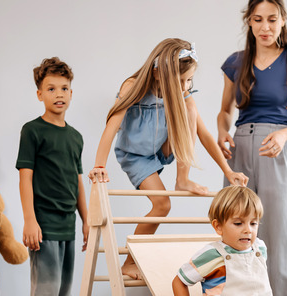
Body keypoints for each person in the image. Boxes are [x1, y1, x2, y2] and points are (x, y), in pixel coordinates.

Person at [89, 38, 248, 279]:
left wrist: (228, 171)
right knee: (162, 205)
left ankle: (182, 179)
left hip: (163, 148)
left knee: (191, 108)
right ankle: (128, 262)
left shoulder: (184, 93)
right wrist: (99, 166)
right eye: (180, 81)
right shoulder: (133, 86)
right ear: (157, 74)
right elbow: (112, 125)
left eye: (189, 80)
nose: (185, 86)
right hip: (136, 156)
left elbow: (203, 134)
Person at [217, 0, 287, 296]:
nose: (265, 27)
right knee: (235, 233)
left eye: (272, 20)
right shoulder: (236, 63)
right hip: (240, 149)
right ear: (248, 22)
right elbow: (224, 112)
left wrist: (285, 135)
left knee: (281, 237)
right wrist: (222, 133)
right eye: (258, 20)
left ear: (283, 20)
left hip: (276, 147)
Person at [16, 57, 88, 296]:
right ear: (39, 94)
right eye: (51, 88)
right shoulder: (32, 131)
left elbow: (77, 182)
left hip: (68, 224)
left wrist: (87, 220)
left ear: (71, 93)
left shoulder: (75, 137)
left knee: (61, 289)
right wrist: (30, 220)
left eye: (64, 88)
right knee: (45, 288)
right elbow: (25, 178)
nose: (59, 93)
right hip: (43, 223)